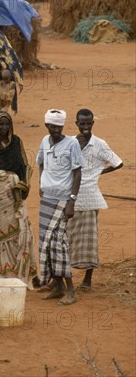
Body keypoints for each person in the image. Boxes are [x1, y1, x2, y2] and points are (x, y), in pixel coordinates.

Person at [67, 108, 123, 290]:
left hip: (90, 198)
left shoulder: (100, 144)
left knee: (89, 240)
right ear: (76, 123)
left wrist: (99, 172)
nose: (85, 126)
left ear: (93, 123)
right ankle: (63, 277)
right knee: (66, 237)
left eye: (88, 123)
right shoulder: (70, 143)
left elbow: (118, 162)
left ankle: (87, 279)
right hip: (70, 198)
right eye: (82, 123)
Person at [0, 111, 38, 288]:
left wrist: (21, 188)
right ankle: (7, 275)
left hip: (14, 197)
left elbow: (23, 166)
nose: (4, 128)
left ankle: (27, 273)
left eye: (7, 124)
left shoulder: (16, 143)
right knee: (2, 240)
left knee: (23, 234)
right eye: (1, 125)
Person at [36, 109, 83, 305]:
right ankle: (57, 285)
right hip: (47, 199)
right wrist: (41, 182)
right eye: (52, 126)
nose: (56, 130)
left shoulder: (72, 143)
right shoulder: (45, 142)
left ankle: (71, 290)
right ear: (47, 126)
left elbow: (78, 172)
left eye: (59, 127)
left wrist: (72, 200)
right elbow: (40, 163)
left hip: (63, 199)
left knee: (59, 244)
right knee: (45, 244)